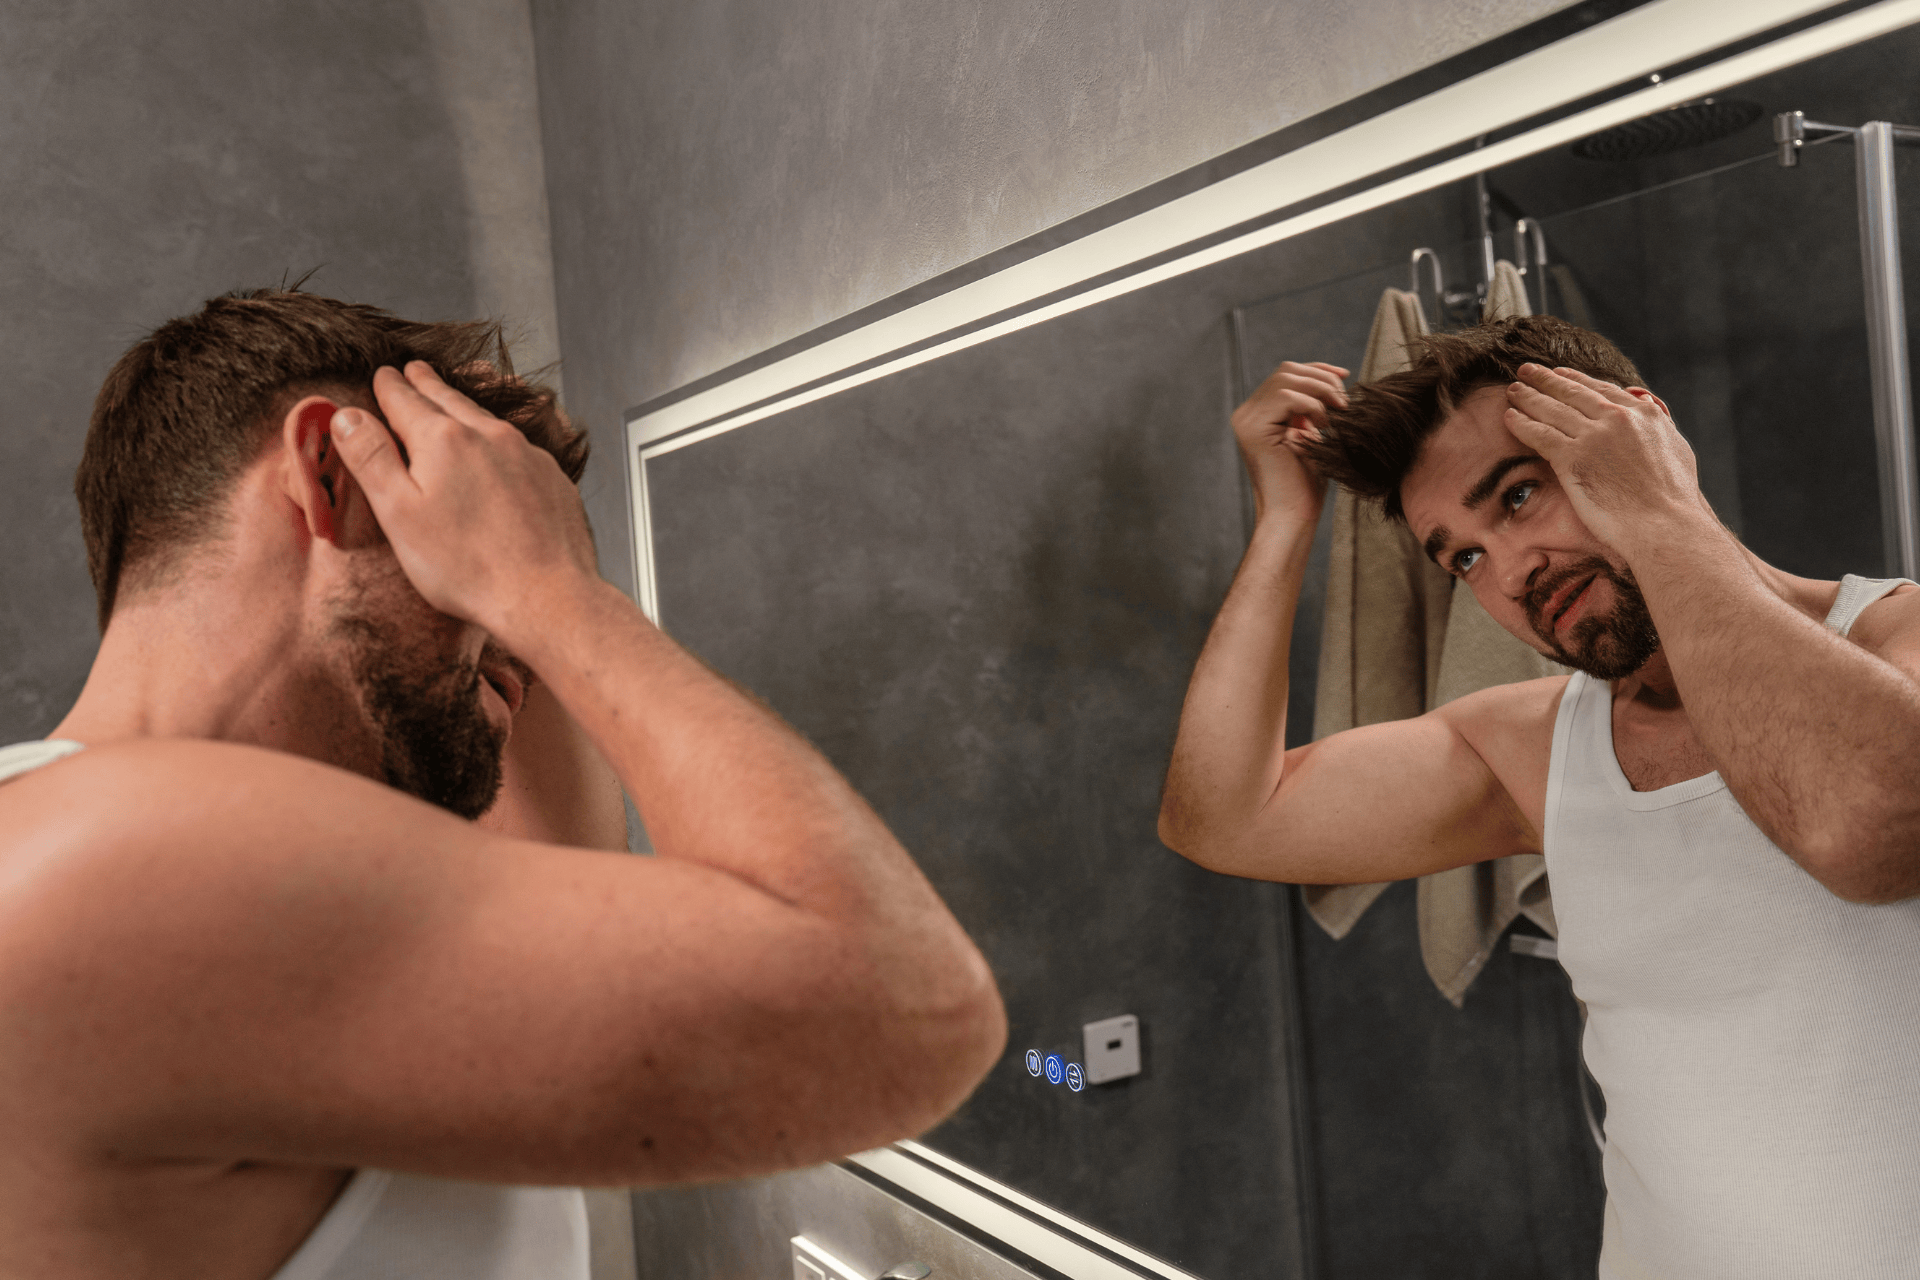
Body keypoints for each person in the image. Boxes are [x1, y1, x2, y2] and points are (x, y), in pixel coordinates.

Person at [0, 289, 1006, 1280]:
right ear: (327, 470)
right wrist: (545, 582)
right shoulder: (124, 867)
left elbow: (584, 901)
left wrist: (527, 574)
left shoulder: (97, 833)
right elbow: (898, 1011)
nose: (516, 668)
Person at [1159, 315, 1920, 1278]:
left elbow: (1865, 829)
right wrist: (1284, 520)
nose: (1511, 573)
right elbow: (1221, 818)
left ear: (1640, 436)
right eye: (1463, 558)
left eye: (1518, 496)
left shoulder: (1897, 641)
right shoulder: (1535, 747)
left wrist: (1661, 512)